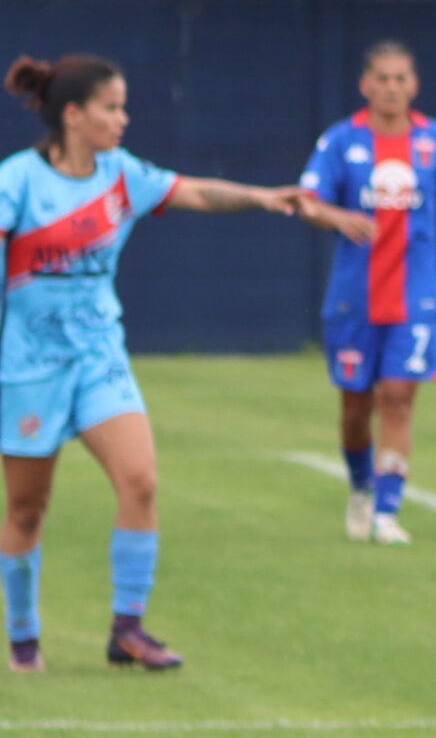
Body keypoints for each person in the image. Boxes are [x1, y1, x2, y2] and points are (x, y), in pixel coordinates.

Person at [1, 54, 316, 674]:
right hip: (30, 367)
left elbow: (195, 189)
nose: (124, 118)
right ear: (72, 114)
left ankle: (128, 630)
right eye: (112, 107)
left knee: (141, 482)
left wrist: (262, 196)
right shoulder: (18, 180)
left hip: (100, 360)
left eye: (123, 106)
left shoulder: (121, 175)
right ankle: (23, 635)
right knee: (26, 510)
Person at [296, 39, 436, 545]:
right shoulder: (341, 140)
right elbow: (307, 201)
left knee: (398, 397)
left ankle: (387, 512)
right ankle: (360, 485)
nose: (392, 88)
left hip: (415, 296)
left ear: (414, 85)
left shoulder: (434, 138)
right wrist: (340, 217)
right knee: (356, 408)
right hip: (354, 299)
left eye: (402, 78)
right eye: (383, 78)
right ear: (365, 85)